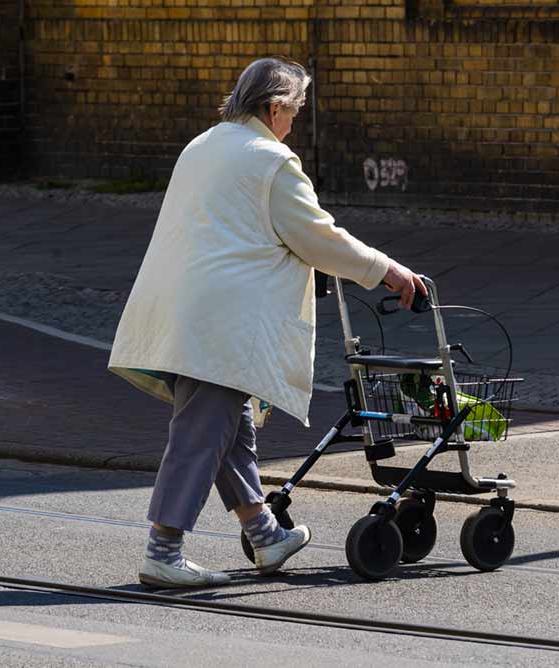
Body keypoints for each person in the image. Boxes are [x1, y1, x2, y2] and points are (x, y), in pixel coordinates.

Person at [108, 57, 426, 588]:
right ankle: (163, 551)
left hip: (185, 309)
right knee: (200, 432)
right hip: (225, 322)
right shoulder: (270, 160)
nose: (294, 122)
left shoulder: (204, 145)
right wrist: (386, 270)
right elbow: (318, 237)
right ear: (275, 106)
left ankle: (264, 534)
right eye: (294, 111)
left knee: (228, 429)